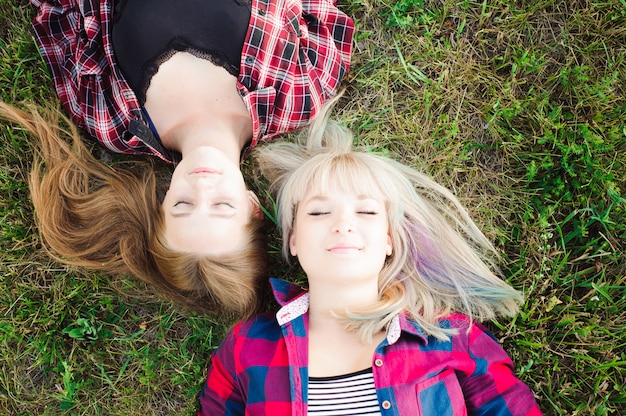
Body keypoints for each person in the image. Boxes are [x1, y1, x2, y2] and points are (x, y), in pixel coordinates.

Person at [0, 0, 354, 315]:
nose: (202, 186)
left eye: (183, 205)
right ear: (252, 206)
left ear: (163, 201)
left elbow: (67, 21)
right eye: (222, 206)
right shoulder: (292, 99)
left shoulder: (115, 124)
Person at [196, 101, 543, 414]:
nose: (343, 224)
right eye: (318, 213)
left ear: (389, 241)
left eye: (365, 212)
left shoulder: (451, 336)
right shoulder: (246, 346)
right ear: (294, 240)